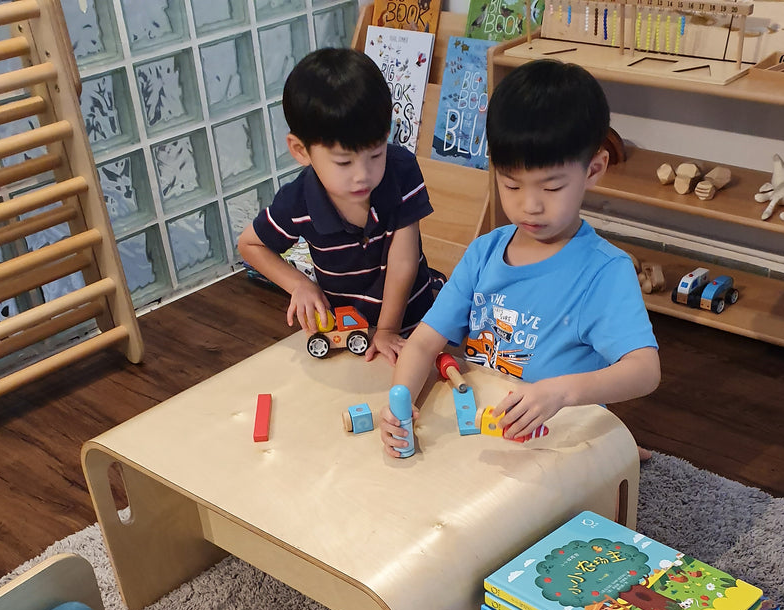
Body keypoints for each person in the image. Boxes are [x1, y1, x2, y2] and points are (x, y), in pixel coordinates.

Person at [379, 59, 660, 455]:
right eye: (511, 184)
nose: (530, 206)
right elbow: (424, 342)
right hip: (483, 429)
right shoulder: (484, 252)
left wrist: (561, 391)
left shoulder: (605, 271)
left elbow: (645, 371)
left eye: (552, 187)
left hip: (557, 437)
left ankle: (622, 454)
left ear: (593, 170)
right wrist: (401, 399)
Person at [237, 48, 441, 364]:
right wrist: (300, 286)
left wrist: (388, 329)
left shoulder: (401, 170)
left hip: (410, 323)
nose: (363, 175)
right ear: (301, 150)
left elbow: (403, 261)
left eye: (375, 154)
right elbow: (249, 244)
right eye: (344, 162)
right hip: (347, 332)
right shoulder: (299, 199)